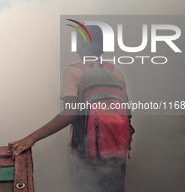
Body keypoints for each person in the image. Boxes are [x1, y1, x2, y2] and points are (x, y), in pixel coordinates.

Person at [8, 25, 130, 191]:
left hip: (84, 156)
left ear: (80, 46)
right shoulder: (116, 72)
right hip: (117, 155)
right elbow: (126, 113)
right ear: (102, 47)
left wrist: (32, 137)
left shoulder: (73, 71)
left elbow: (71, 113)